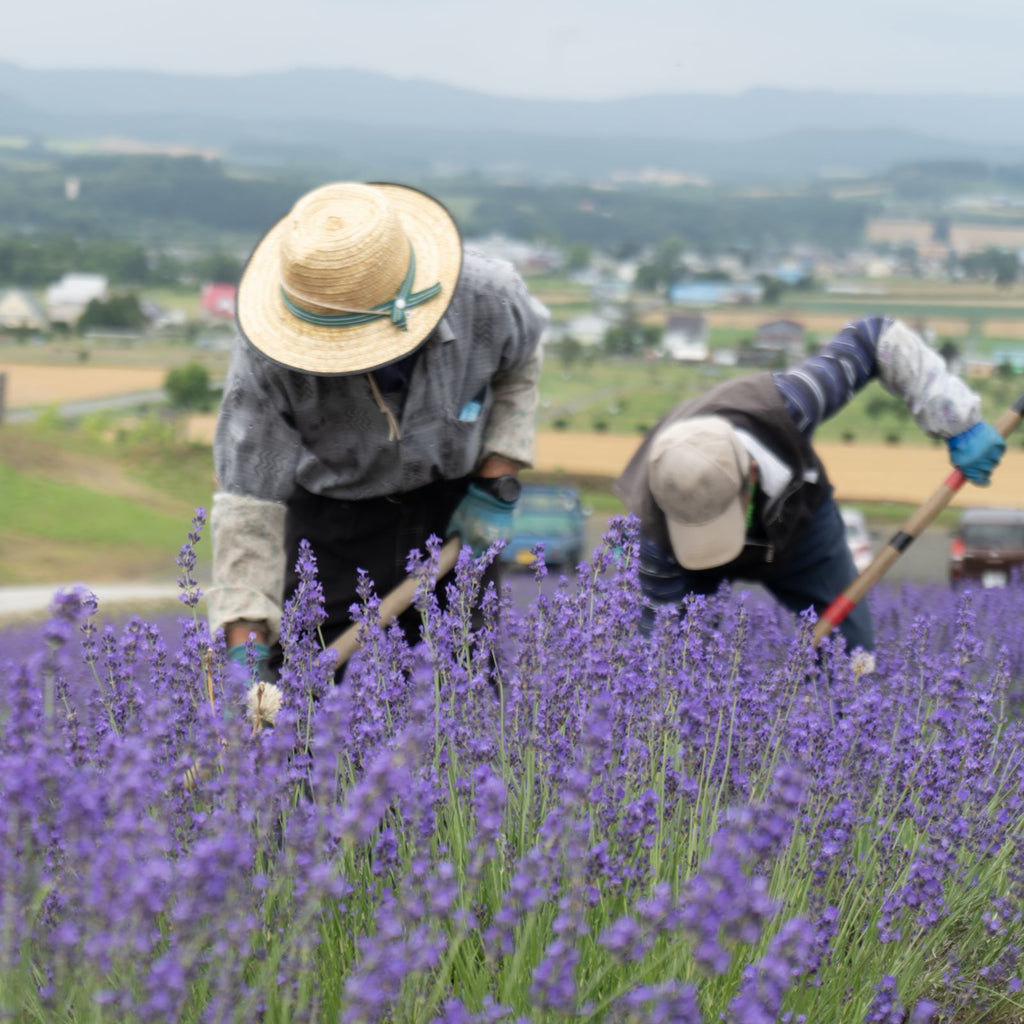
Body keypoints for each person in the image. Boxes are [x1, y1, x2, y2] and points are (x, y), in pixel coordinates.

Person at [207, 181, 548, 679]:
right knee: (300, 722)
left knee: (468, 701)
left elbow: (521, 363)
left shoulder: (487, 296)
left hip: (454, 515)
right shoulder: (267, 355)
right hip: (331, 531)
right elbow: (248, 504)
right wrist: (245, 649)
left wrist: (498, 477)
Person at [615, 316, 1006, 653]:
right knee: (677, 657)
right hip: (681, 553)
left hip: (800, 525)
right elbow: (657, 637)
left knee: (851, 656)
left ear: (749, 478)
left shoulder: (785, 406)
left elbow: (876, 337)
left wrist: (957, 421)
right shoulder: (652, 520)